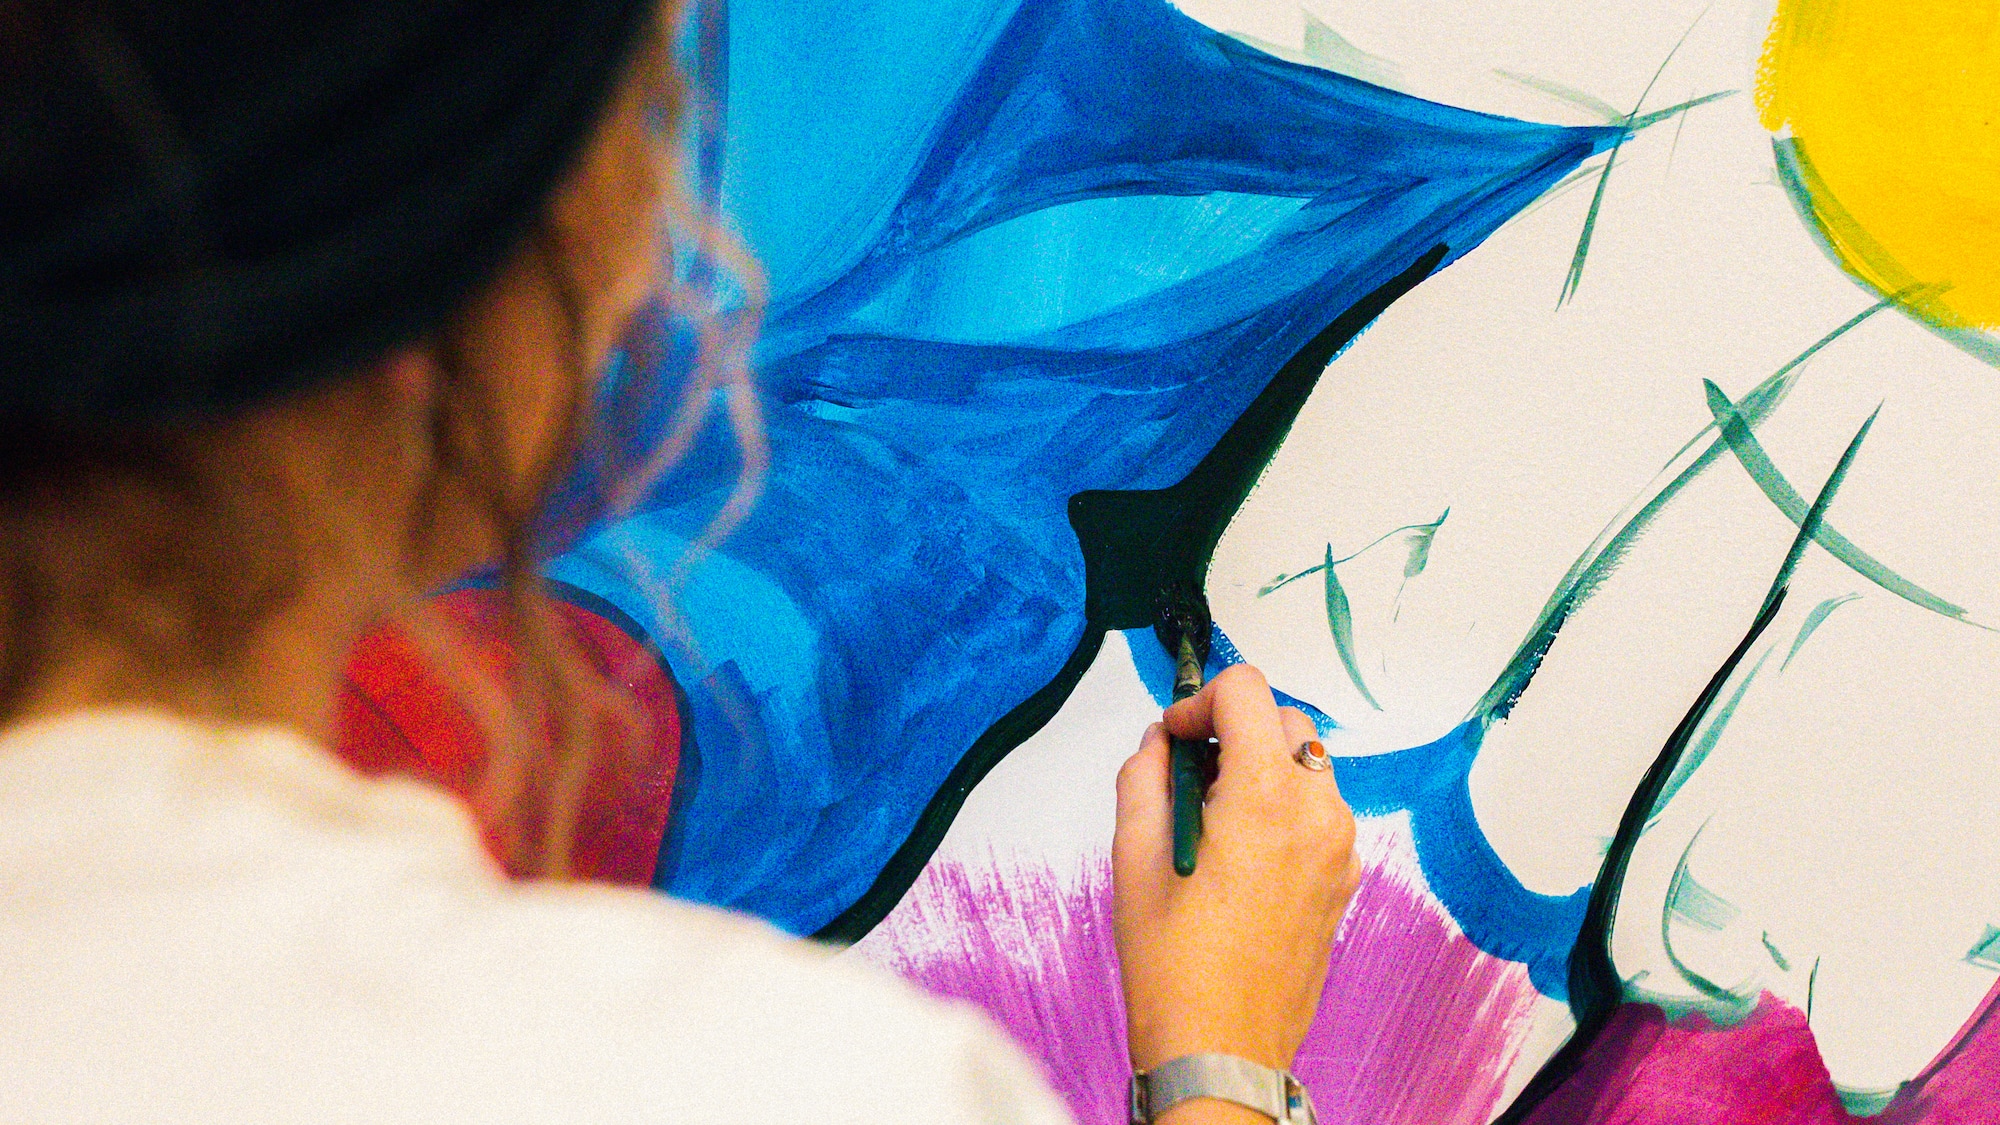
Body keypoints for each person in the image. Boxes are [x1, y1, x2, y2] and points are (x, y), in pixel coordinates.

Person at [0, 1, 1360, 1122]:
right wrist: (1220, 1075)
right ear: (430, 280)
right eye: (651, 131)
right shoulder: (742, 1078)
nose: (681, 256)